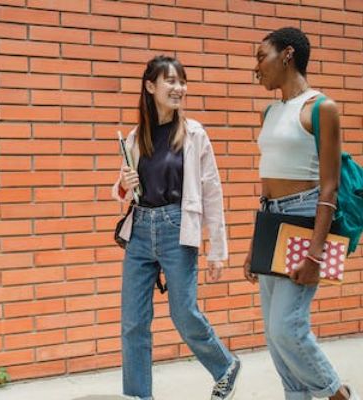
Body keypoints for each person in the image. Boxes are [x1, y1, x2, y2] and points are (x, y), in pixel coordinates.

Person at [112, 55, 240, 400]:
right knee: (133, 323)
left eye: (181, 81)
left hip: (176, 229)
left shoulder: (194, 134)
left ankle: (225, 365)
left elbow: (212, 192)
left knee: (184, 313)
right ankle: (138, 396)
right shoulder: (136, 136)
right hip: (140, 231)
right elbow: (123, 191)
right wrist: (124, 184)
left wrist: (217, 250)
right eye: (170, 81)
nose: (178, 88)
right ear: (150, 86)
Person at [245, 27, 361, 400]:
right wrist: (255, 244)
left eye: (261, 57)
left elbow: (330, 187)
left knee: (287, 328)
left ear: (288, 55)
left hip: (304, 219)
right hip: (271, 219)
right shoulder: (269, 111)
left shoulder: (321, 108)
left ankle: (339, 395)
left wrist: (315, 255)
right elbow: (267, 186)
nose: (256, 67)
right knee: (273, 334)